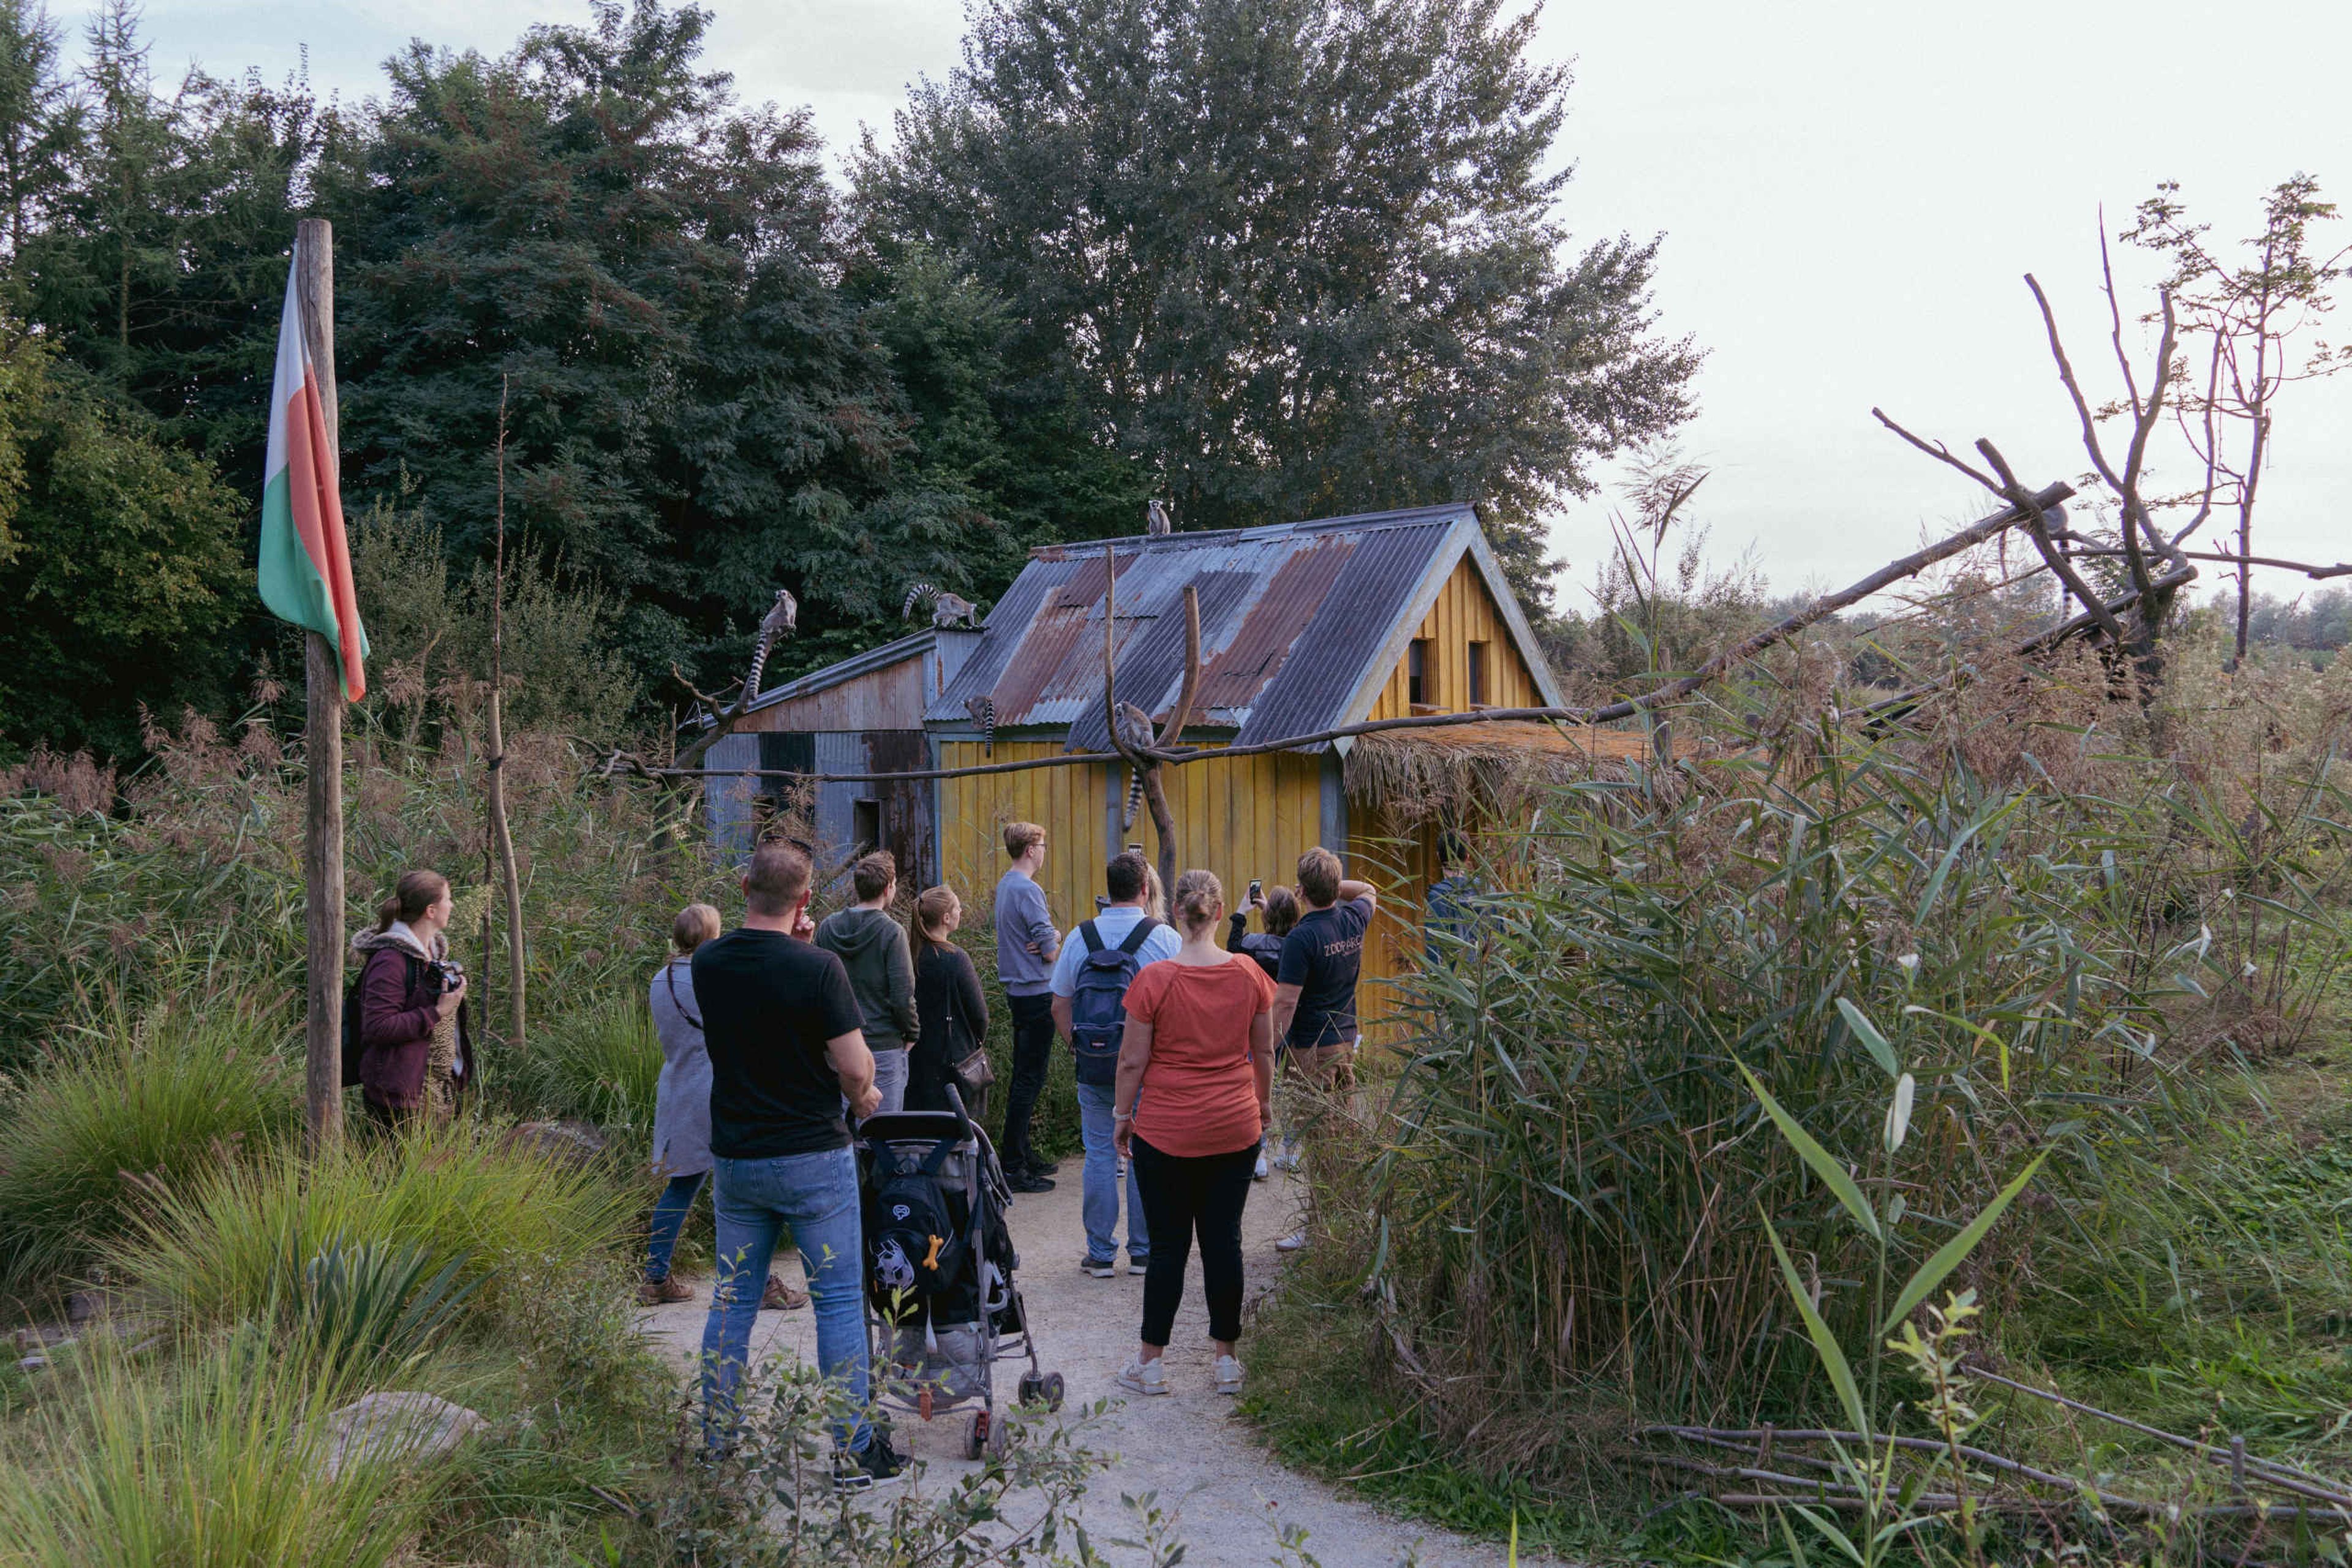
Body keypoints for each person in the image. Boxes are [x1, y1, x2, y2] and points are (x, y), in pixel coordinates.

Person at [695, 841, 905, 1489]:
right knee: (837, 1301)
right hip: (813, 1153)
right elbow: (856, 1066)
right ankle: (852, 1451)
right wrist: (862, 1089)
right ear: (807, 898)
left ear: (741, 883)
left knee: (732, 1302)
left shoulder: (707, 961)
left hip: (738, 1155)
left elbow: (756, 1008)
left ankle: (716, 1442)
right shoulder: (819, 970)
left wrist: (800, 942)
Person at [1110, 869, 1274, 1398]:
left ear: (1175, 912)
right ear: (1220, 911)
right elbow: (1265, 1052)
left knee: (1167, 1247)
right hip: (1234, 1122)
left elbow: (1133, 1061)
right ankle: (1226, 1362)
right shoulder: (1248, 974)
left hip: (1166, 1129)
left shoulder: (1155, 980)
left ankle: (1151, 1364)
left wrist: (1121, 1117)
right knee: (1224, 1241)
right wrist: (1264, 1104)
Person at [643, 903, 806, 1311]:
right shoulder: (715, 976)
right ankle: (756, 1282)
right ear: (711, 938)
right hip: (720, 1088)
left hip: (677, 1087)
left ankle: (655, 1276)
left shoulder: (659, 980)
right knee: (742, 1189)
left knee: (682, 1185)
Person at [1049, 850, 1180, 1277]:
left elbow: (1059, 1005)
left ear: (1108, 890)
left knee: (1101, 1154)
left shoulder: (1079, 936)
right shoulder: (1163, 939)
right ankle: (1143, 1252)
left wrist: (1079, 1047)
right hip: (1148, 1068)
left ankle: (1101, 1254)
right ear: (1145, 889)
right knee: (1144, 1154)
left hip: (1096, 1066)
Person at [1266, 847, 1378, 1252]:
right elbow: (1367, 889)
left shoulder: (1301, 938)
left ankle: (1320, 1229)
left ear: (1301, 890)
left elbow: (1285, 1003)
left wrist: (1267, 1049)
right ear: (1333, 886)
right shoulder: (1352, 918)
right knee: (1342, 1132)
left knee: (1319, 1139)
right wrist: (1331, 882)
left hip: (1310, 1049)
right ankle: (1343, 1218)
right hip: (1346, 1041)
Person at [352, 869, 470, 1129]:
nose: (452, 905)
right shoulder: (390, 961)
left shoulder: (431, 954)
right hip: (399, 1097)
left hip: (432, 1088)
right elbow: (378, 1026)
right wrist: (437, 1011)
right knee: (399, 1170)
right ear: (430, 910)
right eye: (448, 899)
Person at [817, 850, 920, 1117]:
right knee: (882, 1136)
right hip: (882, 1046)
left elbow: (816, 987)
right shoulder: (892, 933)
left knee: (837, 1133)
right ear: (888, 889)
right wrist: (912, 1032)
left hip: (836, 1046)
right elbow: (902, 994)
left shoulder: (827, 927)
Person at [992, 823, 1061, 1194]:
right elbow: (1049, 950)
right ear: (1032, 849)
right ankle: (1014, 1165)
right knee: (1028, 1079)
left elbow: (1045, 938)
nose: (1045, 850)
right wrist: (1054, 940)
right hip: (1036, 990)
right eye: (1043, 844)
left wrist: (1053, 936)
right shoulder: (1029, 890)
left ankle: (1020, 1151)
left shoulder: (1006, 885)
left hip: (1019, 989)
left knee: (1025, 1077)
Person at [1226, 884, 1298, 1180]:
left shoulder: (1253, 944)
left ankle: (1258, 1156)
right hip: (1290, 1025)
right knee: (1292, 1088)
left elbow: (1233, 948)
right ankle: (1291, 1153)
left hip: (1256, 1025)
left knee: (1259, 1089)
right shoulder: (1298, 944)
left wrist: (1242, 913)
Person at [908, 885, 992, 1118]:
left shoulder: (910, 956)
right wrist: (974, 1040)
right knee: (959, 1134)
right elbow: (980, 1015)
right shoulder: (956, 959)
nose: (961, 911)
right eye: (957, 908)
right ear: (946, 918)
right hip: (954, 1062)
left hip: (916, 1059)